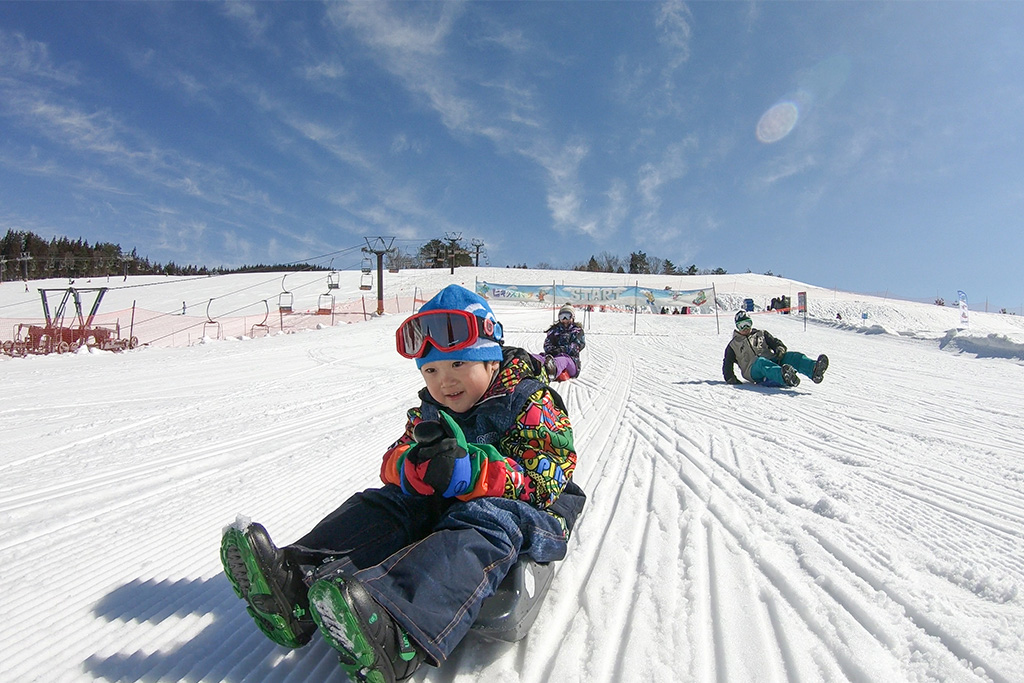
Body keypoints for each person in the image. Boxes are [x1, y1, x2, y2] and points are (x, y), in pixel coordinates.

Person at [220, 284, 585, 682]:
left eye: (458, 365)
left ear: (491, 361)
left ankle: (396, 631)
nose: (445, 382)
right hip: (450, 499)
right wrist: (412, 468)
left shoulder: (530, 400)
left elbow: (547, 474)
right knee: (387, 501)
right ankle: (296, 581)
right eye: (432, 371)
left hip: (528, 510)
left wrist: (478, 473)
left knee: (485, 519)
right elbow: (391, 459)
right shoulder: (430, 410)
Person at [723, 310, 829, 388]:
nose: (746, 328)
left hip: (771, 360)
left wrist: (780, 349)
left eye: (748, 324)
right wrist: (730, 378)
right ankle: (784, 377)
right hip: (752, 370)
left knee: (792, 356)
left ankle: (814, 370)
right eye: (742, 326)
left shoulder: (761, 334)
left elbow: (776, 342)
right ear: (737, 327)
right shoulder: (733, 345)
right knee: (760, 362)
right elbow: (727, 363)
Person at [534, 303, 586, 381]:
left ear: (573, 317)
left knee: (563, 359)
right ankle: (530, 365)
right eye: (562, 316)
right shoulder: (554, 330)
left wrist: (560, 350)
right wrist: (552, 351)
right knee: (541, 357)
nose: (564, 319)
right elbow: (547, 345)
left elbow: (576, 347)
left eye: (567, 316)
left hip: (571, 361)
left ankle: (550, 372)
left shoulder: (577, 331)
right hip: (552, 357)